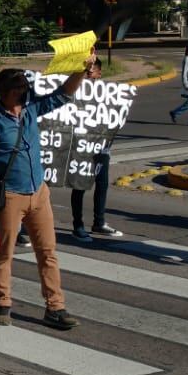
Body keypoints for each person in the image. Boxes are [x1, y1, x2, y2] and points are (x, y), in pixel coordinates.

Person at [0, 61, 95, 330]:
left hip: (39, 193)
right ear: (3, 91)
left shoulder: (30, 111)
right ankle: (3, 302)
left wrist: (82, 69)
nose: (24, 92)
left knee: (48, 252)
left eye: (25, 87)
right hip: (10, 197)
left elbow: (64, 94)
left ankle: (55, 307)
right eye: (18, 88)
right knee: (4, 252)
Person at [70, 59, 122, 242]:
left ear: (99, 74)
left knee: (102, 183)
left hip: (101, 147)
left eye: (89, 72)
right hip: (80, 147)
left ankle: (99, 222)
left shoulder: (106, 94)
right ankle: (78, 225)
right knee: (79, 185)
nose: (86, 75)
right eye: (84, 72)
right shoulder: (74, 92)